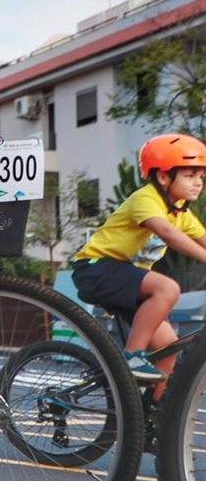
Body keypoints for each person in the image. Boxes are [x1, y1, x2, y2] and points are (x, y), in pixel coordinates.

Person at [71, 133, 206, 385]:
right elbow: (167, 233)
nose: (198, 183)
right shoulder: (145, 199)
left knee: (167, 347)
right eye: (189, 175)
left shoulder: (180, 212)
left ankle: (155, 416)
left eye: (200, 177)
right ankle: (133, 356)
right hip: (96, 268)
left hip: (126, 277)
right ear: (163, 176)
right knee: (167, 288)